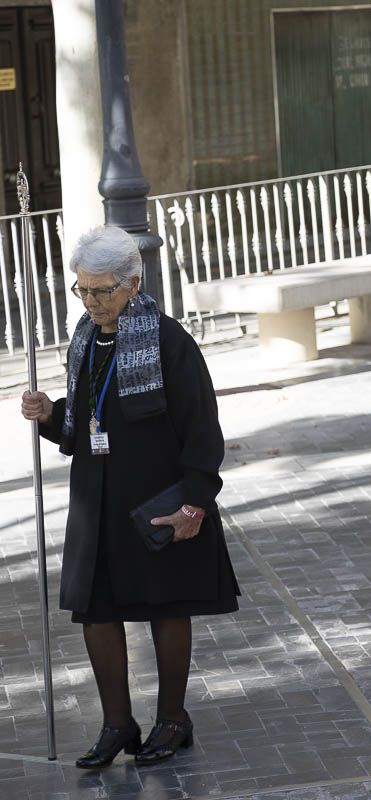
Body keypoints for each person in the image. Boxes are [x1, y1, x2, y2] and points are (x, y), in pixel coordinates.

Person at [19, 226, 238, 768]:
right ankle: (118, 722)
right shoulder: (86, 338)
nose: (91, 302)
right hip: (98, 498)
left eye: (101, 291)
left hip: (159, 498)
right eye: (82, 290)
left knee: (166, 608)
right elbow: (85, 417)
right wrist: (50, 413)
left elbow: (204, 432)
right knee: (97, 611)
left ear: (133, 283)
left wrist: (194, 504)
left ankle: (172, 720)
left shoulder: (169, 341)